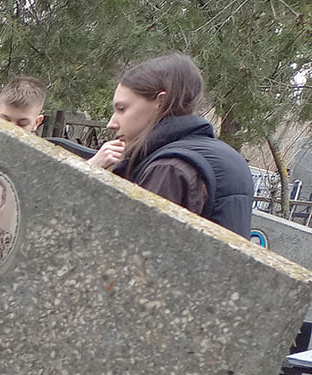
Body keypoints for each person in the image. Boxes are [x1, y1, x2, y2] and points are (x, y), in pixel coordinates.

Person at [87, 52, 254, 237]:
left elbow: (131, 244)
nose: (111, 123)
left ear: (161, 101)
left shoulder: (169, 168)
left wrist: (89, 174)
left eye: (122, 109)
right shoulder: (224, 156)